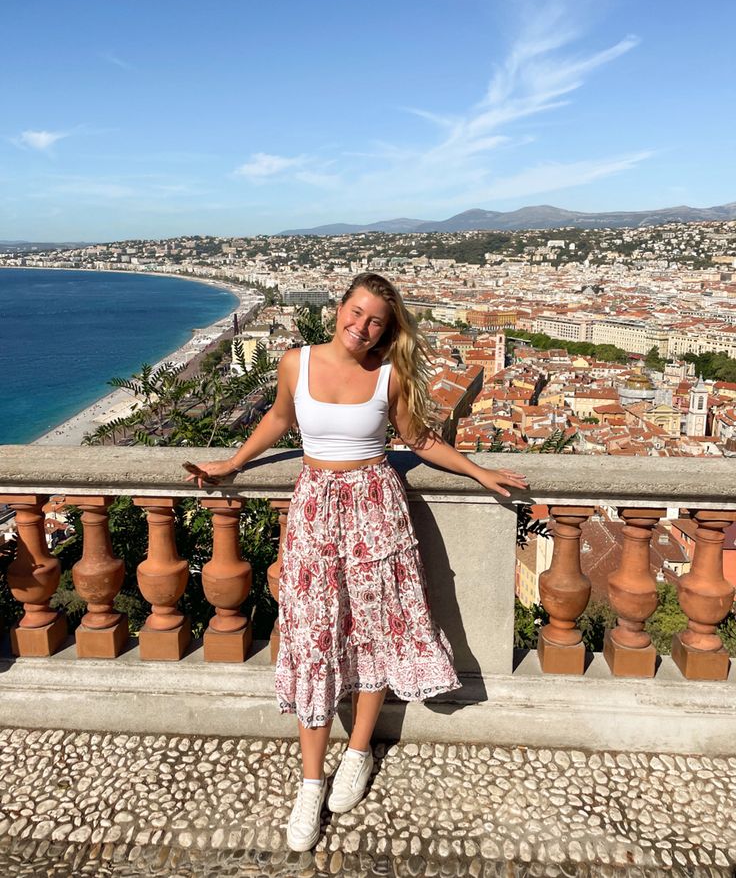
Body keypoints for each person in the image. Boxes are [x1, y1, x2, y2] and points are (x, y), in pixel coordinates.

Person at [186, 273, 528, 852]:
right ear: (339, 306)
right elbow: (278, 419)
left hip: (374, 507)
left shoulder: (389, 374)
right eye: (356, 311)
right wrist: (232, 463)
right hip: (316, 507)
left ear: (387, 331)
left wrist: (478, 471)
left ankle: (358, 752)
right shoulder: (296, 362)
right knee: (313, 638)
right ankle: (309, 784)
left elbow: (418, 440)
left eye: (376, 322)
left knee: (375, 631)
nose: (361, 327)